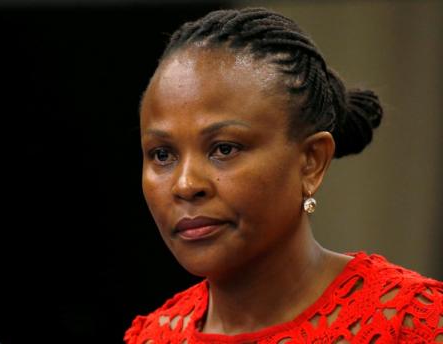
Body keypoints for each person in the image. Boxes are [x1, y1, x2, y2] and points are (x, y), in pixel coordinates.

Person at [125, 7, 443, 344]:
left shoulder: (412, 324)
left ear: (311, 162)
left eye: (224, 148)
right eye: (162, 155)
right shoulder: (153, 336)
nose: (186, 184)